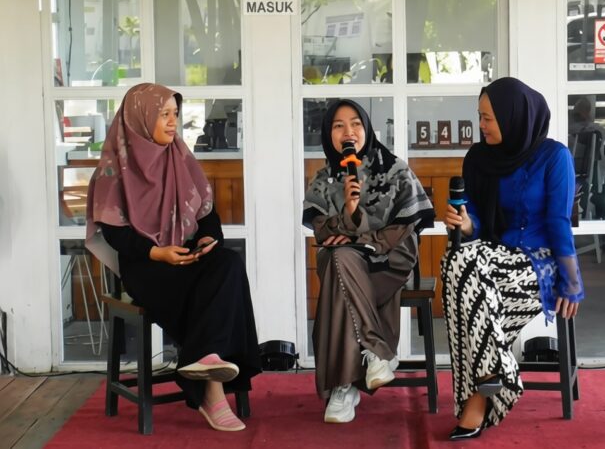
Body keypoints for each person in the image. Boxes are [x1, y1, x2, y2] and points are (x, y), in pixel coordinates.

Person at [85, 83, 260, 432]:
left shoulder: (180, 157)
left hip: (182, 254)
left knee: (228, 263)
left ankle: (203, 361)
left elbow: (207, 215)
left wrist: (209, 238)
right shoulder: (113, 169)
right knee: (211, 290)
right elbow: (117, 235)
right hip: (145, 266)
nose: (172, 123)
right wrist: (158, 252)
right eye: (163, 114)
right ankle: (212, 389)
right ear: (140, 117)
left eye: (175, 115)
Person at [442, 77, 584, 441]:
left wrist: (571, 282)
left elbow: (558, 222)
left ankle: (478, 396)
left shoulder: (555, 157)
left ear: (514, 115)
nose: (482, 125)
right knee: (456, 258)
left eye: (489, 118)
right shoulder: (479, 157)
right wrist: (466, 222)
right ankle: (496, 370)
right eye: (480, 116)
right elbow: (474, 221)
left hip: (540, 265)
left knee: (461, 271)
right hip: (491, 261)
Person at [303, 99, 434, 424]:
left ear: (366, 128)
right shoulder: (323, 179)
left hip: (391, 259)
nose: (348, 132)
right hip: (345, 264)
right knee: (339, 259)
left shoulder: (394, 168)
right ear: (328, 134)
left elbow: (406, 225)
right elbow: (322, 232)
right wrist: (349, 209)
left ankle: (343, 387)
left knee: (341, 260)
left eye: (355, 124)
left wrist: (360, 240)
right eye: (338, 126)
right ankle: (376, 352)